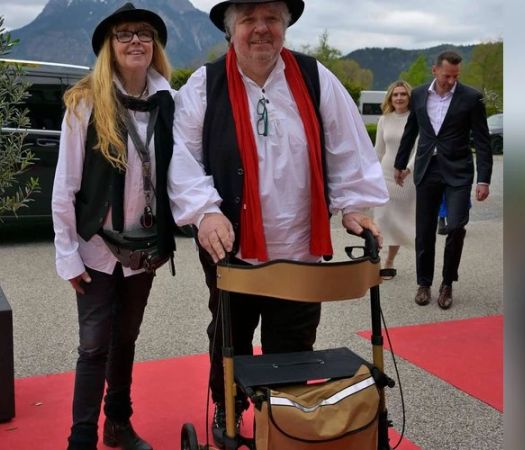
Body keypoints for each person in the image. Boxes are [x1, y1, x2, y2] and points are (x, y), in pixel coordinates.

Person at [167, 0, 388, 446]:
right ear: (232, 30)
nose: (261, 29)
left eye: (271, 19)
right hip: (231, 246)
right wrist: (205, 211)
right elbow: (181, 157)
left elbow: (346, 145)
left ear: (285, 27)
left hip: (300, 246)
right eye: (249, 19)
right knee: (229, 336)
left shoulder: (313, 77)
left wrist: (353, 204)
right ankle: (227, 405)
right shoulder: (204, 85)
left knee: (294, 342)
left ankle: (286, 422)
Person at [51, 3, 176, 450]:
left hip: (143, 249)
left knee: (126, 341)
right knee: (93, 347)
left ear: (154, 46)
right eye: (124, 34)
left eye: (144, 33)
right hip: (96, 250)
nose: (135, 41)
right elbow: (64, 186)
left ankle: (117, 425)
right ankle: (81, 437)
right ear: (110, 46)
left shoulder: (167, 101)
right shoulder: (85, 103)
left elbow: (176, 176)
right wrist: (66, 255)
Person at [393, 50, 493, 310]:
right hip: (427, 169)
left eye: (455, 76)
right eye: (447, 75)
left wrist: (484, 179)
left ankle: (447, 282)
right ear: (435, 70)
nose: (451, 80)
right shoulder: (418, 95)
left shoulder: (471, 98)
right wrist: (400, 164)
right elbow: (411, 130)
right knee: (424, 230)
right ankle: (424, 283)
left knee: (457, 225)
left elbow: (483, 142)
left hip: (459, 171)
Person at [373, 80, 416, 280]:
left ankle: (390, 261)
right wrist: (371, 176)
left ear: (409, 97)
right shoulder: (384, 119)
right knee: (381, 219)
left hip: (406, 178)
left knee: (397, 220)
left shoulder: (416, 119)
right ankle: (377, 260)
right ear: (390, 97)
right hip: (385, 175)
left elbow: (419, 149)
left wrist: (408, 169)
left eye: (403, 94)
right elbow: (378, 150)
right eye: (395, 94)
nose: (399, 98)